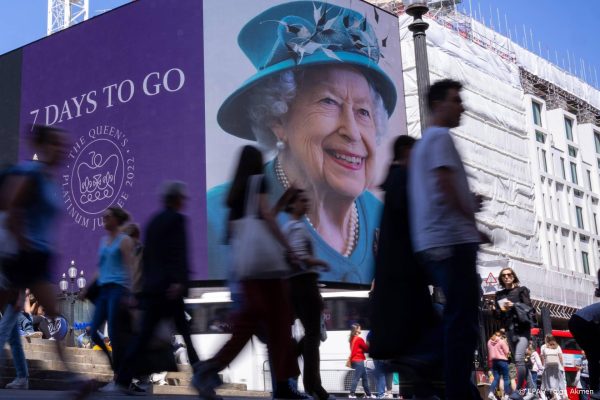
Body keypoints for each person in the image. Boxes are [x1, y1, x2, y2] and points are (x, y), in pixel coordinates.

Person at [206, 1, 398, 285]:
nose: (353, 132)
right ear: (278, 119)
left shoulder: (383, 216)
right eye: (329, 102)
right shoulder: (212, 216)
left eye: (363, 111)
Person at [194, 146, 305, 400]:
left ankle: (210, 368)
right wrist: (289, 249)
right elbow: (266, 216)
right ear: (257, 162)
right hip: (269, 270)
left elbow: (241, 229)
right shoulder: (260, 180)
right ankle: (283, 386)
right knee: (279, 325)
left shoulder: (235, 195)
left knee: (251, 325)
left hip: (246, 271)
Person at [408, 79, 488, 400]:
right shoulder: (441, 137)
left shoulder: (425, 143)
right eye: (456, 100)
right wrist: (472, 223)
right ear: (439, 104)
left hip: (431, 240)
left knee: (457, 313)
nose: (462, 106)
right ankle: (450, 381)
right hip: (453, 239)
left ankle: (448, 376)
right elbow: (444, 185)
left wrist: (469, 202)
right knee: (463, 318)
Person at [114, 182, 204, 394]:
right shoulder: (178, 220)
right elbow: (179, 254)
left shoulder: (152, 222)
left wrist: (143, 290)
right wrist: (180, 282)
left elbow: (148, 259)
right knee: (186, 336)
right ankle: (203, 381)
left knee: (143, 337)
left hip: (154, 290)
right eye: (183, 198)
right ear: (176, 199)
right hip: (170, 290)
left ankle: (123, 378)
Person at [0, 125, 72, 381]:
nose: (62, 149)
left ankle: (72, 379)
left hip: (38, 258)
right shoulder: (31, 173)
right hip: (21, 257)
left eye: (64, 145)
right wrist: (24, 248)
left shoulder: (51, 180)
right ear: (42, 146)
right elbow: (12, 210)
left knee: (54, 314)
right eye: (56, 144)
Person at [282, 187, 332, 400]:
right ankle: (313, 385)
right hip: (304, 283)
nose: (306, 203)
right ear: (292, 204)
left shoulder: (291, 228)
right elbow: (299, 257)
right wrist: (320, 262)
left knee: (311, 336)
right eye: (302, 200)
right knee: (313, 336)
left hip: (298, 285)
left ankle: (292, 366)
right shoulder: (295, 228)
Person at [494, 267, 535, 399]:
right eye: (504, 275)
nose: (507, 277)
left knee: (518, 359)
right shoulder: (499, 295)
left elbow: (529, 308)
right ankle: (532, 389)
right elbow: (499, 316)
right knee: (519, 362)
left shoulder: (521, 290)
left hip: (522, 328)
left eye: (509, 274)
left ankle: (518, 390)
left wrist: (514, 305)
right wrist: (496, 310)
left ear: (513, 276)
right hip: (509, 330)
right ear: (501, 279)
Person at [569, 302, 600, 400]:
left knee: (593, 356)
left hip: (575, 321)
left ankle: (595, 391)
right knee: (594, 355)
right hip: (585, 323)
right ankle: (596, 391)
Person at [348, 323, 372, 399]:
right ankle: (352, 394)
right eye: (359, 328)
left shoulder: (352, 339)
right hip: (359, 360)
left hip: (356, 360)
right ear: (356, 330)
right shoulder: (359, 339)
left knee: (365, 378)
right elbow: (366, 349)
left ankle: (368, 395)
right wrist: (368, 344)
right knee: (356, 378)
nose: (360, 329)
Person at [487, 331, 512, 400]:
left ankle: (491, 393)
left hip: (494, 362)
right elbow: (507, 351)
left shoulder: (489, 342)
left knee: (496, 378)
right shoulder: (501, 341)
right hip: (503, 361)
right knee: (506, 378)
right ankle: (506, 395)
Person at [540, 335, 566, 400]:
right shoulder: (557, 346)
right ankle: (563, 396)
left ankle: (554, 395)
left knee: (550, 382)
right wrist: (562, 366)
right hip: (557, 367)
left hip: (547, 366)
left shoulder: (543, 347)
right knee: (560, 382)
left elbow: (542, 358)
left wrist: (543, 366)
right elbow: (560, 357)